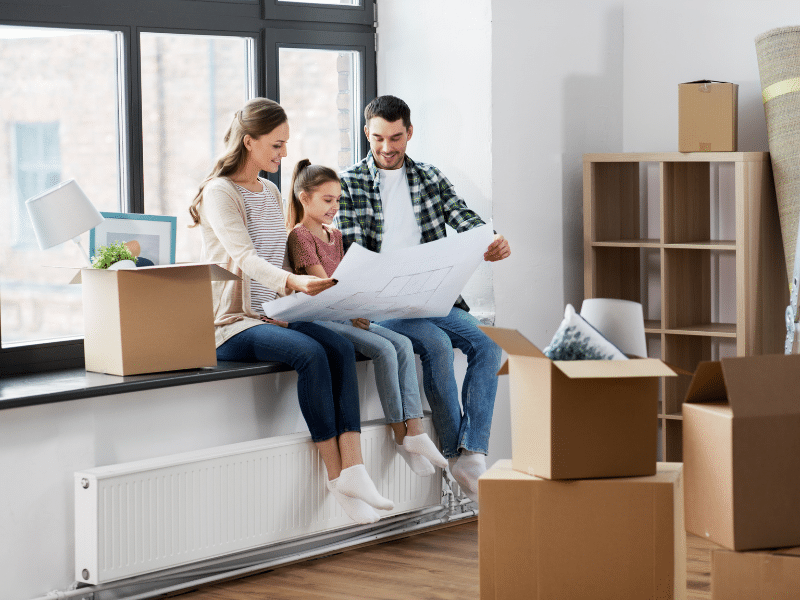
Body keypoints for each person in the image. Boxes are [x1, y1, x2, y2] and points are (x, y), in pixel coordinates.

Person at [189, 98, 393, 525]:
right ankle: (336, 476)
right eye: (276, 145)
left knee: (337, 346)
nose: (284, 155)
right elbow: (245, 258)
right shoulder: (219, 192)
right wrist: (295, 284)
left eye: (285, 145)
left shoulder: (270, 190)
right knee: (311, 354)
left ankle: (355, 468)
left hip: (272, 311)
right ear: (249, 142)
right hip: (232, 323)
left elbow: (276, 258)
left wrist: (296, 299)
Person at [337, 95, 511, 504]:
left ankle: (473, 451)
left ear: (409, 133)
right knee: (435, 343)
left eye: (396, 137)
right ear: (367, 133)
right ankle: (454, 452)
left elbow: (462, 216)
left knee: (490, 344)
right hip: (383, 305)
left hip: (433, 298)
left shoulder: (430, 177)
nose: (386, 147)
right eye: (378, 138)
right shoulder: (349, 183)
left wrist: (491, 238)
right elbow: (352, 255)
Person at [285, 159, 449, 477]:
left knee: (401, 343)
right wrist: (351, 306)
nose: (334, 207)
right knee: (385, 349)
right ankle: (402, 438)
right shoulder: (300, 237)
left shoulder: (335, 236)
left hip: (347, 315)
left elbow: (349, 281)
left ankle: (414, 430)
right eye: (327, 200)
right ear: (304, 197)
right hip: (323, 321)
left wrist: (361, 305)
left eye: (337, 200)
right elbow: (325, 289)